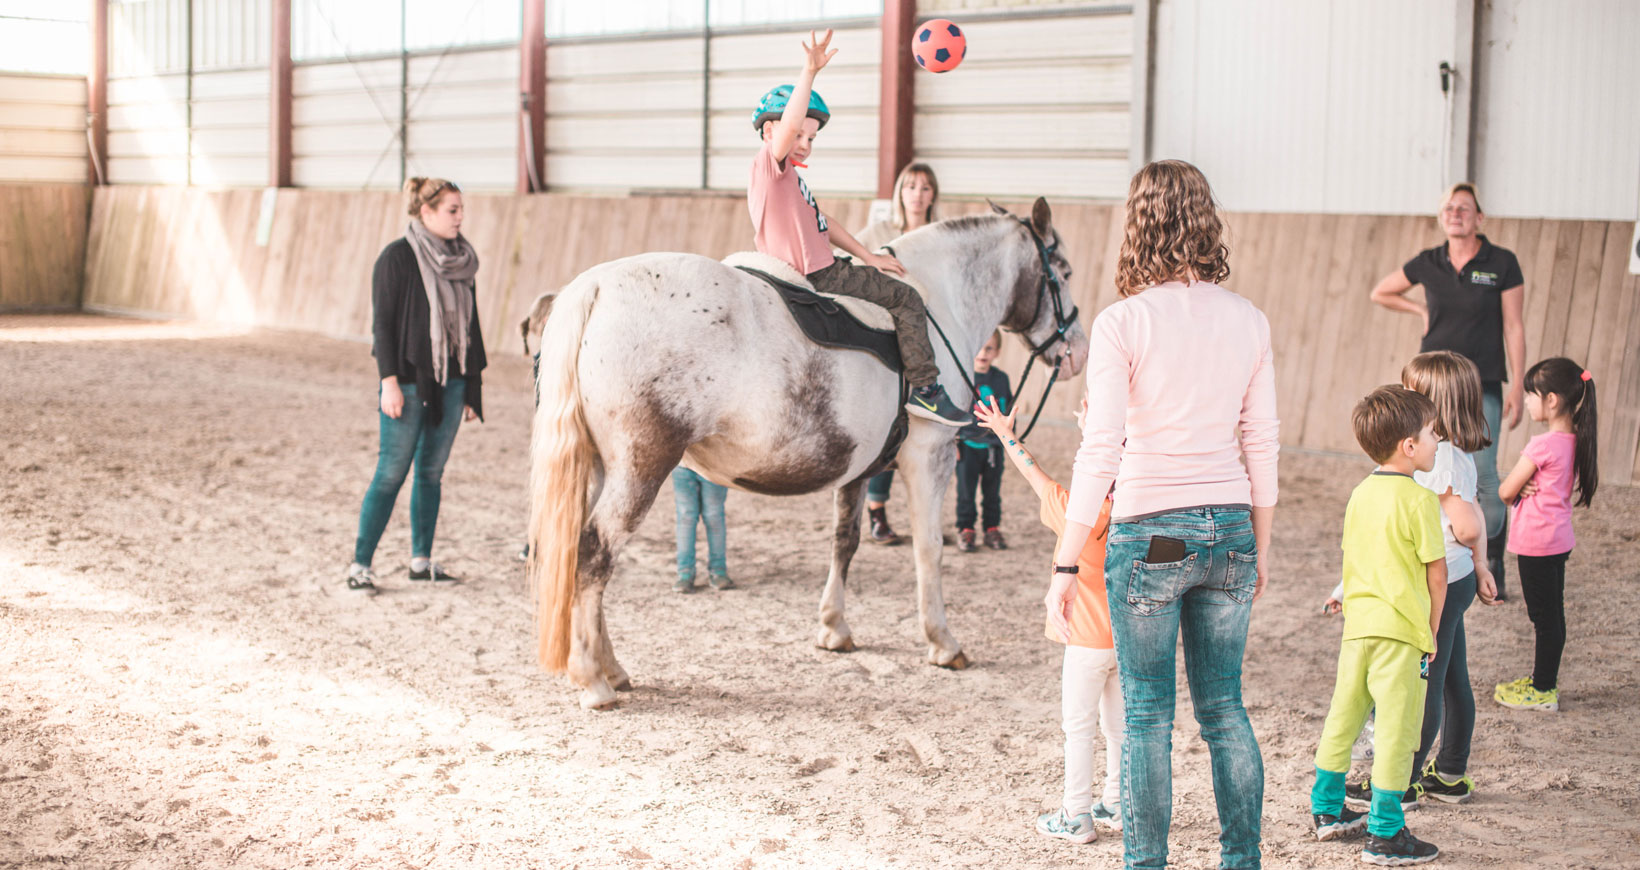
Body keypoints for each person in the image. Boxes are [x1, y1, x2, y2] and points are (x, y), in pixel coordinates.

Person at [1049, 160, 1278, 870]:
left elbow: (1100, 451)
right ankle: (1242, 862)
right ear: (1206, 219)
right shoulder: (1248, 319)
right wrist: (1258, 548)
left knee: (1147, 715)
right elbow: (1261, 442)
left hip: (1153, 534)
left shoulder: (1123, 323)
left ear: (1137, 223)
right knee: (1225, 711)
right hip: (1231, 526)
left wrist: (1065, 560)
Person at [747, 29, 970, 427]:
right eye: (796, 133)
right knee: (906, 301)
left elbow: (823, 221)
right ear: (770, 133)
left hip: (826, 264)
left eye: (811, 138)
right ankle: (925, 389)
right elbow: (790, 121)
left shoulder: (791, 182)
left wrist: (868, 255)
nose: (804, 143)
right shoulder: (769, 164)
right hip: (817, 274)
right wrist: (809, 72)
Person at [1324, 353, 1501, 811]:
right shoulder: (1460, 456)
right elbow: (1477, 513)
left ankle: (1403, 781)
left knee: (1424, 681)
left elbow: (1465, 523)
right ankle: (1451, 772)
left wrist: (1462, 541)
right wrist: (1481, 565)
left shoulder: (1436, 461)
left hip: (1435, 584)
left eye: (1411, 391)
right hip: (1460, 578)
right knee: (1453, 678)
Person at [975, 396, 1123, 845]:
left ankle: (1076, 815)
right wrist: (1092, 431)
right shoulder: (1133, 513)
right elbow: (1111, 462)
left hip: (1084, 640)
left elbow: (1032, 472)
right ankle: (1116, 802)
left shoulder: (1072, 508)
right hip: (1129, 638)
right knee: (1118, 728)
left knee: (1078, 729)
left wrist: (1005, 433)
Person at [1310, 385, 1446, 866]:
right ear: (1409, 446)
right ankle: (1386, 832)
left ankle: (1326, 809)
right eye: (1431, 433)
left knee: (1343, 717)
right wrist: (1430, 631)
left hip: (1358, 630)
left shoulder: (1360, 493)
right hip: (1401, 635)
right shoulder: (1421, 501)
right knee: (1395, 731)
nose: (1437, 440)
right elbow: (1437, 572)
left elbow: (1353, 561)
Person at [1370, 183, 1526, 598]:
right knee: (1429, 467)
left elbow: (1514, 325)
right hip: (1431, 385)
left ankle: (1488, 560)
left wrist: (1517, 382)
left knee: (1485, 473)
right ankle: (1433, 547)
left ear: (1479, 217)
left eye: (1464, 208)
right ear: (1442, 216)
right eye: (1449, 207)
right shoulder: (1429, 261)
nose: (1455, 213)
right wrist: (1419, 308)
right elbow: (1381, 291)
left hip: (1482, 382)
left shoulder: (1502, 263)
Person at [345, 177, 486, 592]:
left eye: (461, 209)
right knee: (391, 473)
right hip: (407, 385)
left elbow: (470, 327)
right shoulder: (397, 258)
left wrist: (472, 391)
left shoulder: (463, 261)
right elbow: (383, 327)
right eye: (452, 210)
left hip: (453, 382)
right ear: (426, 212)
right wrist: (388, 382)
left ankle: (421, 560)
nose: (460, 218)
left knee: (431, 473)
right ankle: (360, 565)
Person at [1494, 357, 1599, 713]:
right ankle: (1545, 681)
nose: (1526, 401)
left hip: (1536, 544)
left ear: (1552, 400)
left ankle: (1542, 690)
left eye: (1531, 395)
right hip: (1558, 541)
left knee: (1544, 618)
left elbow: (1506, 492)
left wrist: (1519, 486)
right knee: (1553, 614)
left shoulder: (1542, 445)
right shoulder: (1576, 440)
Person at [855, 161, 941, 545]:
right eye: (911, 186)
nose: (918, 194)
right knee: (889, 424)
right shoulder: (878, 232)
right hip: (887, 338)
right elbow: (856, 263)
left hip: (926, 340)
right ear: (900, 192)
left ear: (933, 194)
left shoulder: (938, 236)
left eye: (925, 188)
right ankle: (876, 510)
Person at [954, 331, 1012, 552]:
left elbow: (1007, 409)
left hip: (993, 448)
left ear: (996, 352)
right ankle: (966, 529)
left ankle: (991, 528)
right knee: (966, 492)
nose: (983, 353)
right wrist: (954, 441)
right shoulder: (963, 377)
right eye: (980, 347)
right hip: (967, 445)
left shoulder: (1001, 379)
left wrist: (1008, 438)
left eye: (989, 348)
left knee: (992, 492)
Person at [671, 467, 734, 594]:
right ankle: (685, 573)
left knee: (714, 516)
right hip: (683, 465)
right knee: (686, 518)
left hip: (712, 464)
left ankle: (718, 570)